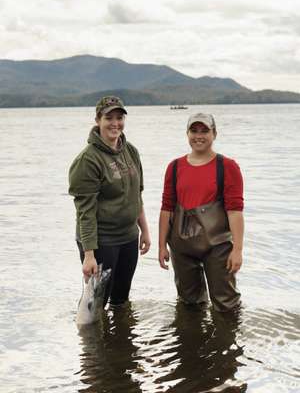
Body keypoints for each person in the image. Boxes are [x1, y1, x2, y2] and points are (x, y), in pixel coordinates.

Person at [69, 96, 151, 308]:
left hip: (128, 237)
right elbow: (85, 212)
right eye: (109, 118)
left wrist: (145, 231)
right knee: (96, 303)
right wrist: (89, 255)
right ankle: (91, 341)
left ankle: (120, 340)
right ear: (98, 120)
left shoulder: (130, 151)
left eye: (119, 117)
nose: (115, 123)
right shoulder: (88, 160)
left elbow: (136, 195)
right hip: (102, 241)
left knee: (121, 300)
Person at [158, 113, 244, 312]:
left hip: (217, 245)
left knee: (227, 305)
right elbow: (167, 208)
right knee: (189, 303)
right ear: (187, 134)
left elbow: (235, 211)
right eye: (194, 131)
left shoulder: (227, 166)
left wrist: (237, 250)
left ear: (214, 133)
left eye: (204, 130)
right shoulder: (174, 167)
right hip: (181, 244)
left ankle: (227, 341)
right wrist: (162, 245)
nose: (199, 136)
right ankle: (192, 340)